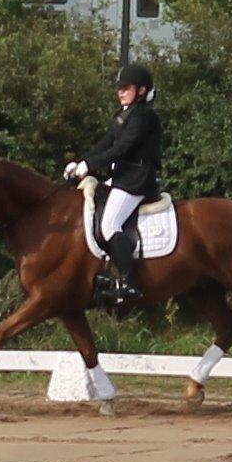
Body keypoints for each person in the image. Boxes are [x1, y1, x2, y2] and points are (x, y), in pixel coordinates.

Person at [64, 63, 162, 303]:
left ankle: (129, 283)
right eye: (119, 88)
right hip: (121, 178)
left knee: (109, 224)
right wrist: (81, 161)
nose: (120, 92)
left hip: (136, 181)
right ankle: (105, 273)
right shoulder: (124, 114)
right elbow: (106, 143)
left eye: (126, 88)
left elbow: (122, 148)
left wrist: (91, 166)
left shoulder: (143, 116)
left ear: (140, 90)